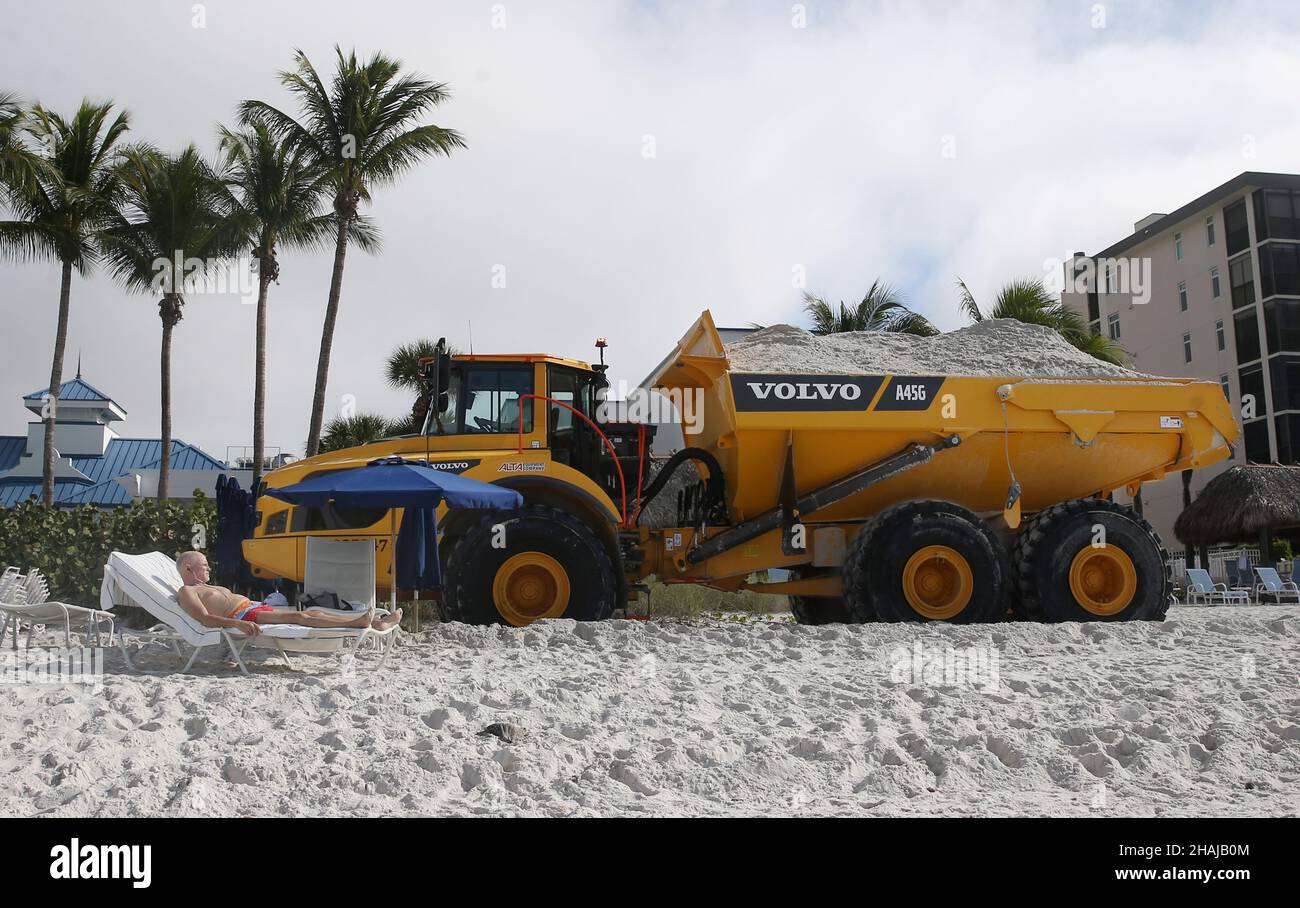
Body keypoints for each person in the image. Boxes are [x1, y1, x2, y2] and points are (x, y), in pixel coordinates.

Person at [174, 551, 401, 636]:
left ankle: (373, 623)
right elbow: (205, 618)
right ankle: (361, 623)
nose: (209, 568)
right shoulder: (187, 591)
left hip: (253, 608)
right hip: (243, 616)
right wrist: (236, 625)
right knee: (300, 617)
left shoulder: (206, 587)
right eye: (204, 565)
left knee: (312, 613)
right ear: (188, 568)